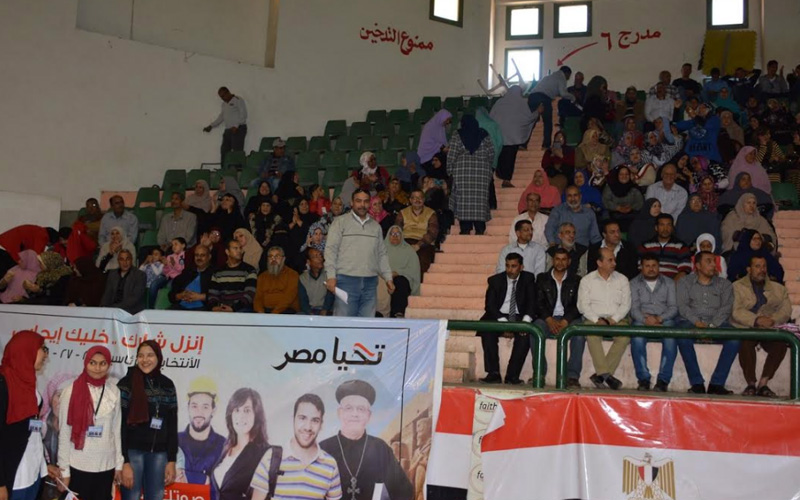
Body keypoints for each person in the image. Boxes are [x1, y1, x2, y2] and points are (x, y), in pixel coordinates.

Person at [319, 380, 414, 500]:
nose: (355, 414)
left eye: (361, 409)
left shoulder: (380, 449)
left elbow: (404, 492)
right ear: (339, 413)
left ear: (369, 415)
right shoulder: (323, 449)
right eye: (349, 408)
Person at [56, 346, 121, 500]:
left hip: (106, 465)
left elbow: (116, 430)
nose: (97, 368)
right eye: (93, 363)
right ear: (86, 363)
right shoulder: (70, 391)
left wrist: (118, 464)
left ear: (109, 365)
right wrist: (64, 470)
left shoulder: (114, 391)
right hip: (78, 465)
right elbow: (64, 432)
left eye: (102, 363)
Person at [250, 394, 342, 500]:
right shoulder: (271, 458)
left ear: (321, 424)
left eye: (315, 420)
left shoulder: (330, 465)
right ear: (293, 419)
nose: (308, 427)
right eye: (302, 418)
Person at [117, 341, 178, 500]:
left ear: (158, 357)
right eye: (141, 356)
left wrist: (171, 459)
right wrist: (124, 461)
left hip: (159, 454)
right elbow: (119, 426)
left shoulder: (167, 385)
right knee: (131, 496)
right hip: (132, 453)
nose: (145, 360)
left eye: (150, 355)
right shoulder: (126, 384)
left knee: (156, 496)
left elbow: (172, 424)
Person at [325, 190, 394, 317]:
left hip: (370, 283)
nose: (362, 205)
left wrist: (388, 278)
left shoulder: (376, 227)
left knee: (366, 325)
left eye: (366, 201)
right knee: (344, 324)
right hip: (345, 281)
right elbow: (330, 250)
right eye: (358, 201)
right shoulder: (340, 222)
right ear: (351, 203)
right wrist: (331, 276)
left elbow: (381, 254)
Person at [676, 251, 736, 395]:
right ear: (697, 265)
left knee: (734, 338)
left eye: (714, 261)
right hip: (691, 322)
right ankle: (697, 383)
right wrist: (696, 322)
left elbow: (726, 308)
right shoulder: (685, 282)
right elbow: (683, 307)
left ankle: (717, 383)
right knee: (682, 335)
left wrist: (711, 327)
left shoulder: (725, 284)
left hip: (716, 323)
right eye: (708, 261)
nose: (713, 265)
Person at [0, 331, 50, 500]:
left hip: (33, 469)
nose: (45, 355)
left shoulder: (28, 382)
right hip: (14, 476)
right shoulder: (4, 384)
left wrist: (44, 463)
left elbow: (32, 429)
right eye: (42, 349)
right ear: (26, 350)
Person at [733, 256, 792, 397]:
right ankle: (751, 384)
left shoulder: (779, 289)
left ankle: (763, 384)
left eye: (764, 266)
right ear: (749, 269)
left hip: (769, 328)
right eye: (757, 266)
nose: (762, 270)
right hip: (747, 327)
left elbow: (786, 310)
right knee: (745, 343)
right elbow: (735, 311)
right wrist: (756, 320)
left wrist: (772, 320)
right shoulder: (736, 287)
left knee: (780, 345)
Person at [476, 253, 536, 385]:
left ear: (521, 267)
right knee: (487, 331)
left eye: (514, 266)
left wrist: (525, 323)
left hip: (519, 316)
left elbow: (532, 304)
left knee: (525, 336)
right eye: (507, 266)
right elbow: (490, 306)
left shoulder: (528, 278)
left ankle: (512, 376)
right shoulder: (495, 280)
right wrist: (504, 324)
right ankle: (493, 374)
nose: (510, 270)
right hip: (498, 316)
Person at [576, 247, 632, 390]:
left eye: (614, 260)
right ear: (599, 263)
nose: (614, 263)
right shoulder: (587, 280)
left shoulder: (622, 279)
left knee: (625, 336)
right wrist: (597, 320)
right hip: (594, 319)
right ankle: (606, 375)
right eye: (610, 260)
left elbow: (626, 305)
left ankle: (601, 375)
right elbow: (583, 306)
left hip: (617, 320)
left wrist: (614, 319)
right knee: (592, 333)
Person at [629, 254, 679, 391]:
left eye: (654, 266)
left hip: (664, 319)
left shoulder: (669, 283)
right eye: (647, 266)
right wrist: (645, 319)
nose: (651, 269)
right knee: (637, 337)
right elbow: (633, 309)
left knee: (671, 337)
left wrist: (659, 319)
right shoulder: (633, 283)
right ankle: (643, 379)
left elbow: (673, 308)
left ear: (659, 267)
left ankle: (663, 380)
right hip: (642, 320)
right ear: (641, 267)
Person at [533, 248, 582, 385]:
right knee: (536, 329)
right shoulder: (542, 278)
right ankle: (539, 372)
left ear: (569, 262)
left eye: (564, 259)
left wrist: (566, 320)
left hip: (569, 319)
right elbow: (538, 303)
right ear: (552, 260)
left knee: (579, 333)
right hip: (548, 318)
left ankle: (572, 376)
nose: (560, 262)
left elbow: (578, 305)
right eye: (557, 259)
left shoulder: (576, 280)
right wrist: (549, 319)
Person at [210, 388, 268, 500]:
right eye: (236, 410)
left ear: (256, 415)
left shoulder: (263, 453)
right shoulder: (226, 447)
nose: (241, 416)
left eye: (247, 410)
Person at [447, 114, 495, 235]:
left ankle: (465, 228)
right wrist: (488, 168)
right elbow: (491, 153)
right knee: (480, 200)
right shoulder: (484, 134)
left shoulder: (458, 134)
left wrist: (449, 171)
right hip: (482, 173)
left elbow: (452, 154)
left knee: (463, 200)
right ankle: (480, 228)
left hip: (462, 172)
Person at [177, 378, 225, 489]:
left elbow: (225, 485)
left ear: (213, 410)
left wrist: (187, 476)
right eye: (194, 406)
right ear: (188, 408)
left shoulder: (224, 446)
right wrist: (204, 479)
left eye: (205, 407)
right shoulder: (173, 441)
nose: (199, 412)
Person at [490, 85, 540, 187]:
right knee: (510, 159)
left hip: (499, 136)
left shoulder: (499, 102)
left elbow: (491, 117)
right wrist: (537, 113)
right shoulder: (522, 103)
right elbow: (528, 118)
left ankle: (498, 176)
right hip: (513, 138)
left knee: (500, 157)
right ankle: (506, 180)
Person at [528, 66, 575, 149]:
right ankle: (546, 145)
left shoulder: (549, 77)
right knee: (547, 122)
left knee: (531, 121)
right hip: (544, 98)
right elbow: (563, 93)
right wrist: (573, 97)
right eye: (569, 76)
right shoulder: (561, 77)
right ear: (567, 73)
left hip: (532, 97)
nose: (568, 78)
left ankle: (523, 144)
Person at [207, 240, 257, 312]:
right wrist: (214, 306)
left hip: (241, 309)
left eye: (240, 248)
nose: (239, 251)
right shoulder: (218, 272)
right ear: (227, 252)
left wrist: (234, 308)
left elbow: (250, 294)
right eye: (235, 248)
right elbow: (212, 293)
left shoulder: (249, 270)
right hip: (222, 307)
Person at [395, 190, 438, 274]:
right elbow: (397, 230)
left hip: (424, 243)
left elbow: (432, 233)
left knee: (422, 261)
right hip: (405, 241)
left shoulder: (431, 213)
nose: (417, 200)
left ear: (424, 199)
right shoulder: (402, 213)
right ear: (410, 200)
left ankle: (418, 282)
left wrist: (418, 245)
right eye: (414, 198)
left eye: (420, 198)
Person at [637, 214, 692, 280]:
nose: (665, 229)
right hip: (649, 281)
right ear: (656, 228)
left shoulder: (681, 246)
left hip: (673, 282)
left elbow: (684, 270)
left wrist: (671, 285)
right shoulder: (646, 246)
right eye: (662, 225)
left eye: (668, 225)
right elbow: (640, 268)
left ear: (672, 228)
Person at [203, 87, 248, 166]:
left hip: (238, 129)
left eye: (223, 95)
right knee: (224, 150)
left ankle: (237, 169)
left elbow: (243, 114)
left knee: (236, 151)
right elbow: (221, 117)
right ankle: (224, 168)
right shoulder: (224, 104)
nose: (223, 98)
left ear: (228, 92)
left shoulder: (238, 100)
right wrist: (211, 126)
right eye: (221, 97)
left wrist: (236, 126)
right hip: (228, 130)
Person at [383, 226, 421, 318]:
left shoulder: (409, 251)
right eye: (392, 234)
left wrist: (398, 272)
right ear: (388, 235)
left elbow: (414, 271)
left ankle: (398, 313)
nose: (395, 236)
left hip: (402, 281)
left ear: (402, 236)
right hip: (383, 279)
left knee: (400, 281)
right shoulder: (381, 249)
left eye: (398, 234)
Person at [254, 247, 299, 314]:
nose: (273, 259)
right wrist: (260, 312)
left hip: (286, 310)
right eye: (270, 256)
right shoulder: (262, 276)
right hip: (265, 311)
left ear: (283, 259)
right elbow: (258, 297)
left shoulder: (292, 274)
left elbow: (289, 298)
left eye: (277, 256)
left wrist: (274, 313)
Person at [169, 245, 214, 310]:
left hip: (202, 309)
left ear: (209, 257)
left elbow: (220, 296)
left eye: (202, 255)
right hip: (180, 307)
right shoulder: (187, 272)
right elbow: (171, 295)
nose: (199, 258)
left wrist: (200, 297)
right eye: (196, 255)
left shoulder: (215, 274)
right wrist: (180, 295)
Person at [100, 250, 146, 314]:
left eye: (127, 259)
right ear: (118, 261)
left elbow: (135, 298)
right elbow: (107, 294)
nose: (125, 263)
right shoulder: (112, 274)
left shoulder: (140, 275)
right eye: (122, 259)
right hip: (113, 310)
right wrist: (103, 307)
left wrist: (114, 308)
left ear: (131, 260)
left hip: (131, 311)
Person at [602, 166, 643, 233]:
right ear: (617, 175)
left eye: (626, 174)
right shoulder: (610, 187)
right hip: (613, 215)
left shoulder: (634, 188)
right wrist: (618, 208)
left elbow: (640, 202)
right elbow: (605, 201)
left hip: (632, 216)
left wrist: (631, 208)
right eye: (621, 174)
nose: (624, 176)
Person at [299, 248, 335, 316]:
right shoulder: (303, 278)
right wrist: (309, 313)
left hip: (327, 311)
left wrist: (325, 310)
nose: (320, 259)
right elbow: (303, 300)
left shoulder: (328, 275)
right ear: (309, 262)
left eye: (320, 255)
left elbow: (330, 296)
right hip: (310, 311)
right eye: (315, 256)